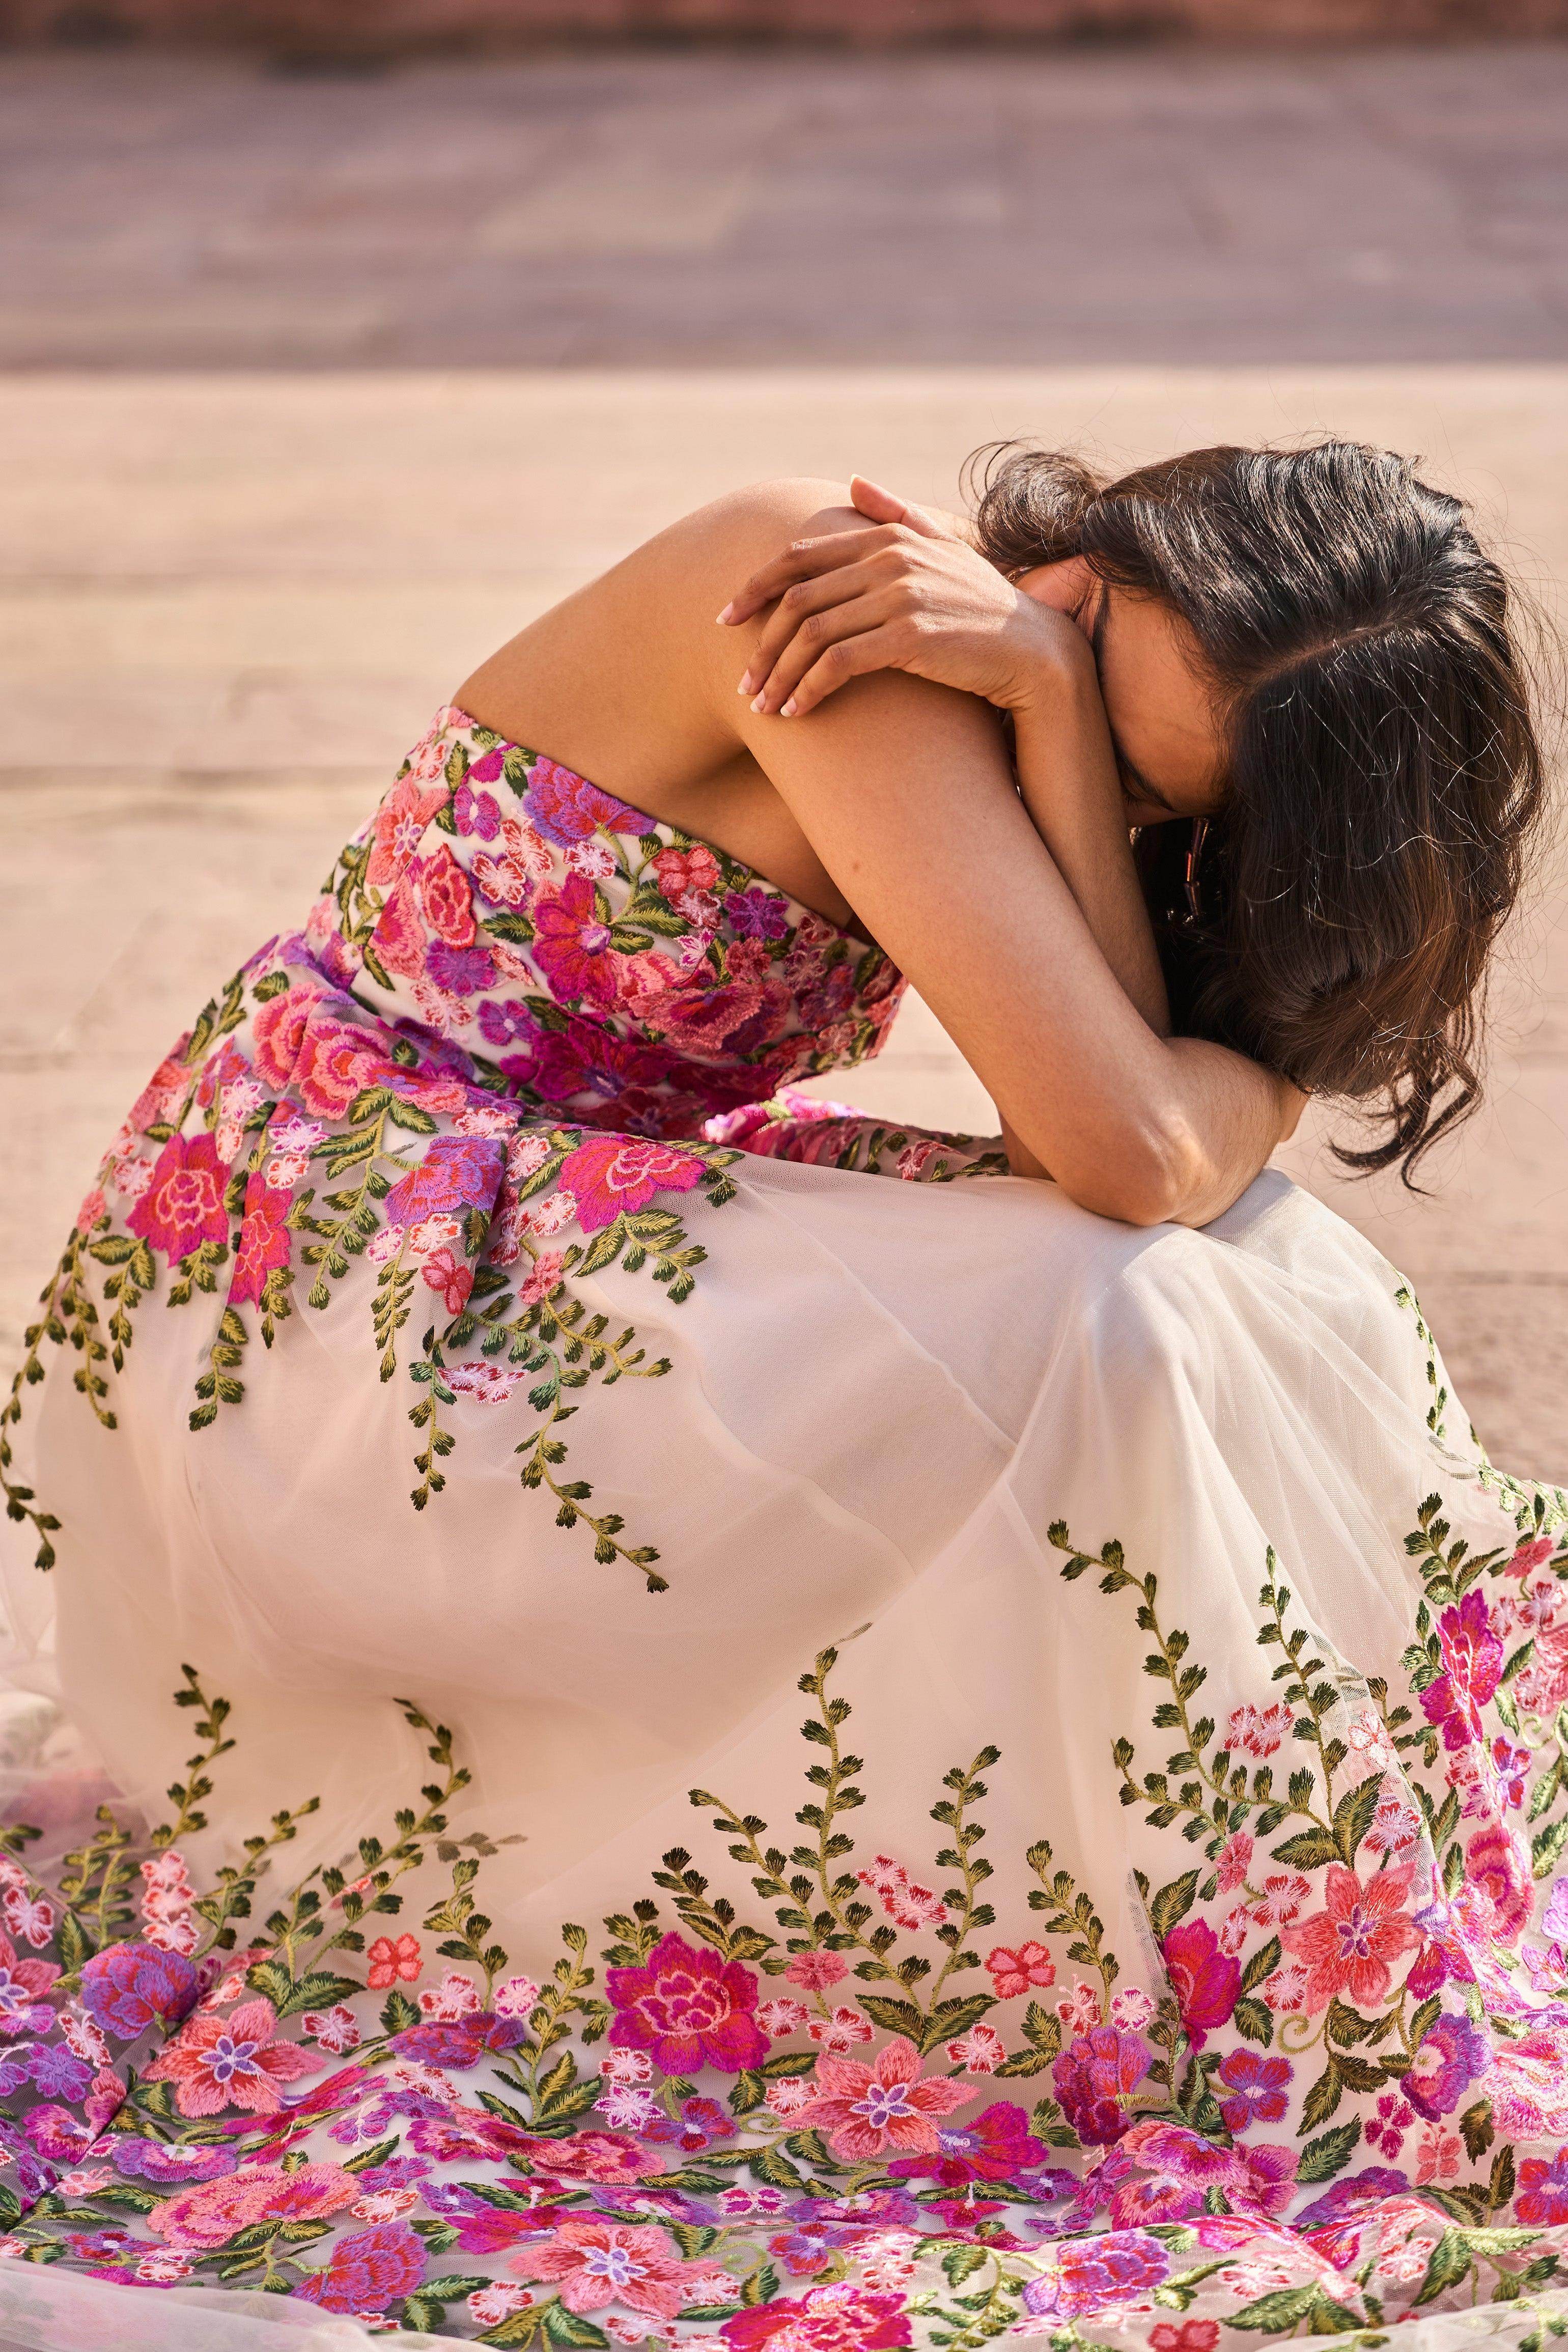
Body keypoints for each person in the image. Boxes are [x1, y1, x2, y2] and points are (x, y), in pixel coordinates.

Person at [0, 441, 1562, 2352]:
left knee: (1209, 1289)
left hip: (507, 1236)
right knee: (1119, 1310)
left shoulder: (1011, 682)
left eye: (1163, 794)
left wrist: (1071, 746)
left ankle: (1199, 1921)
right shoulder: (836, 601)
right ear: (1098, 544)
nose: (1036, 646)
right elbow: (1133, 1136)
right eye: (1074, 622)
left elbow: (1172, 1120)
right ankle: (1165, 1953)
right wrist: (1079, 756)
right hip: (333, 1296)